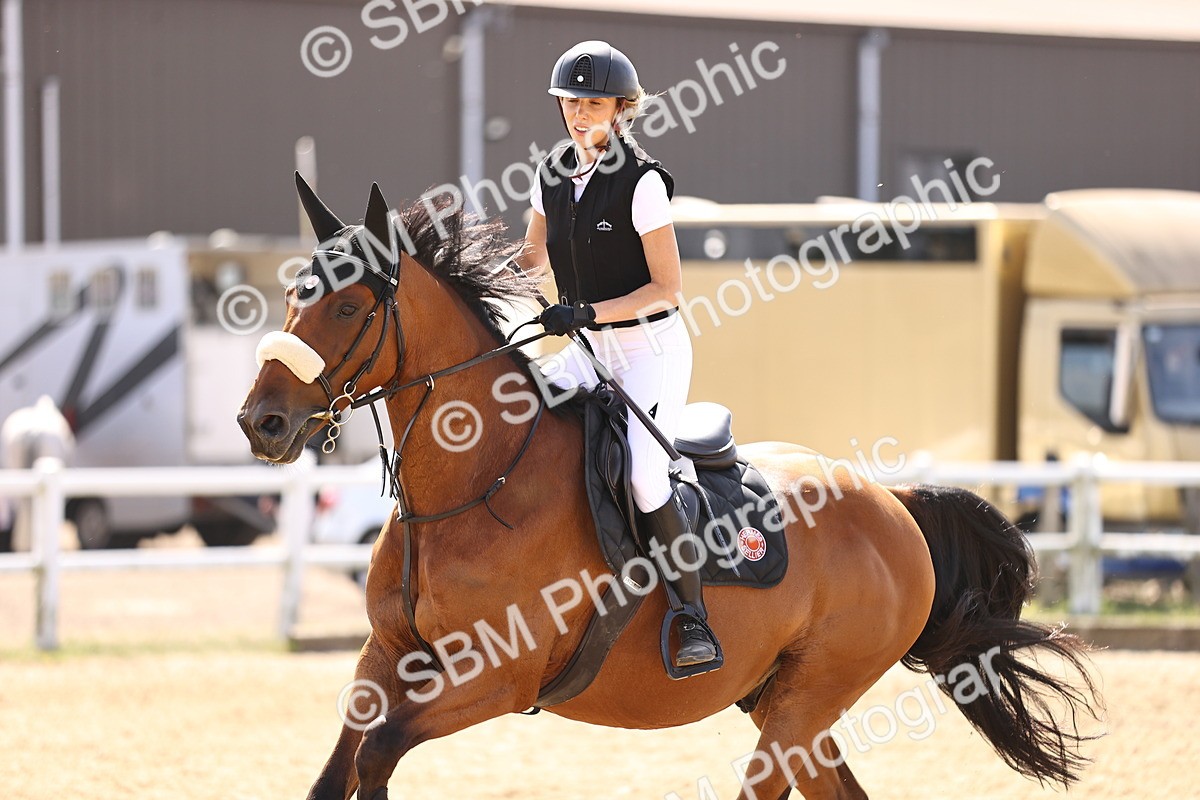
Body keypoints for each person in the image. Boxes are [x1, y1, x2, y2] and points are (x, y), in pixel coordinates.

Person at [517, 40, 720, 669]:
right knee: (522, 421)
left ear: (622, 108)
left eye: (594, 103)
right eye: (571, 102)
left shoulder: (643, 183)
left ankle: (692, 616)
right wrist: (480, 288)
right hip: (584, 346)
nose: (581, 115)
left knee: (642, 472)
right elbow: (531, 259)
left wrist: (587, 312)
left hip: (648, 348)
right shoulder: (550, 173)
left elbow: (668, 288)